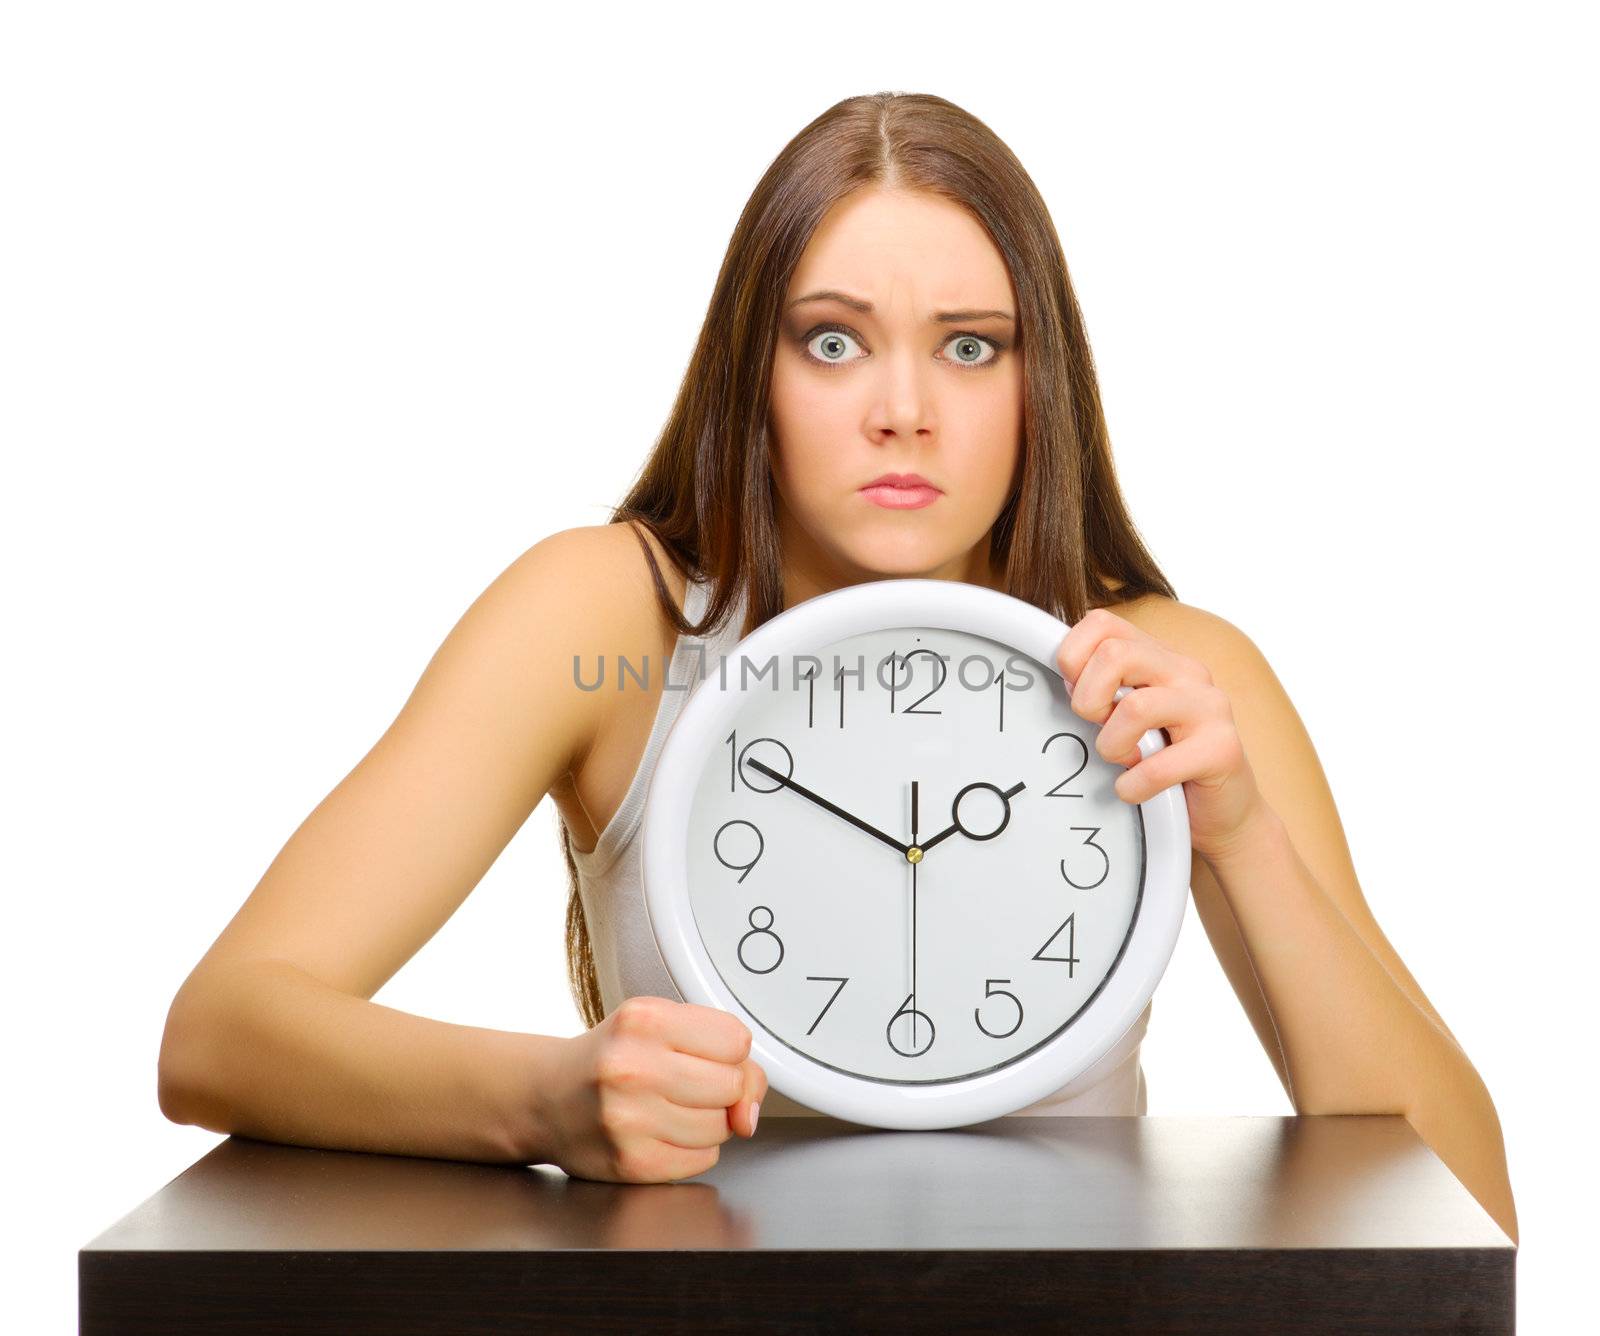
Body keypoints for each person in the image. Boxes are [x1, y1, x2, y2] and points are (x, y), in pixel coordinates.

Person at [156, 91, 1517, 1244]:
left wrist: (1242, 837)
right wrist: (553, 1100)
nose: (904, 409)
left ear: (1041, 385)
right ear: (755, 375)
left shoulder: (1172, 670)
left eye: (970, 347)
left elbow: (1469, 1208)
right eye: (833, 340)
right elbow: (221, 1032)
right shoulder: (607, 621)